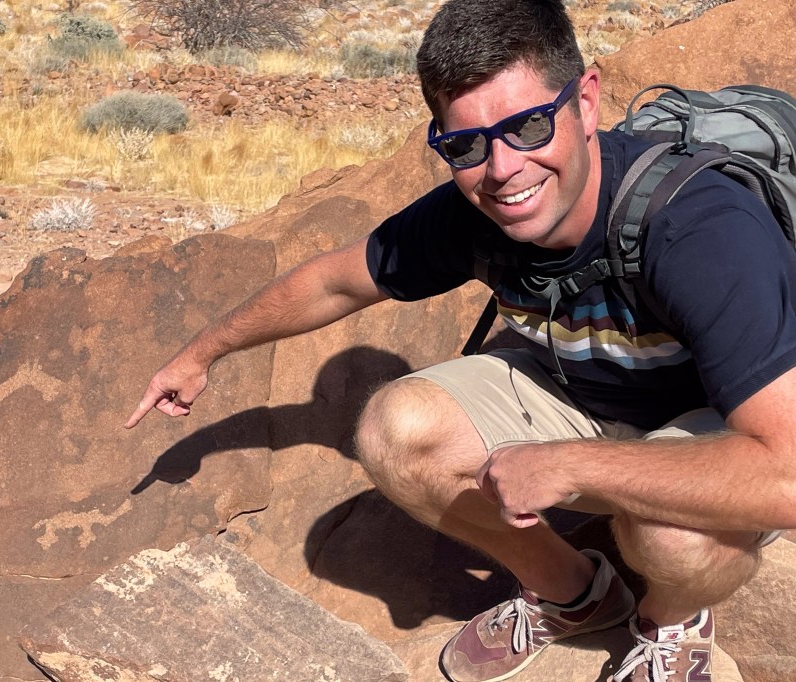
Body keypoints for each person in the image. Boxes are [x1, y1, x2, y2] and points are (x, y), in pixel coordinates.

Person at [125, 0, 796, 679]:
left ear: (586, 102)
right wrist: (202, 352)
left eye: (530, 126)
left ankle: (672, 620)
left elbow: (790, 476)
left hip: (716, 429)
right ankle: (575, 595)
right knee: (395, 428)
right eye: (467, 145)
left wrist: (572, 467)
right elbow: (333, 284)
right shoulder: (472, 215)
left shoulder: (700, 229)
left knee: (673, 534)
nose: (503, 170)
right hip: (585, 403)